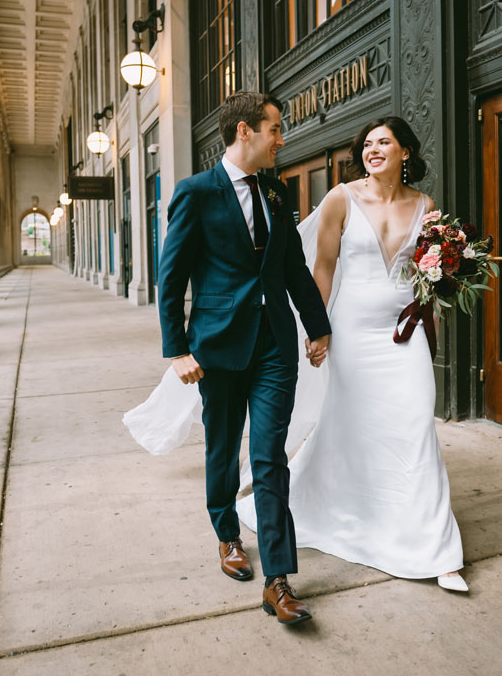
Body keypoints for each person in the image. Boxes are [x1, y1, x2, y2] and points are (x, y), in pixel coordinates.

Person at [236, 115, 467, 591]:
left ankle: (436, 549)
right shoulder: (341, 199)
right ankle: (358, 514)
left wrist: (434, 322)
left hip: (405, 335)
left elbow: (433, 277)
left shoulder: (426, 206)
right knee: (353, 426)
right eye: (367, 144)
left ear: (406, 152)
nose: (372, 149)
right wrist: (317, 330)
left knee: (416, 424)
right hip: (353, 333)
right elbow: (321, 269)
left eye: (384, 142)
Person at [154, 91, 331, 626]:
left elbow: (293, 271)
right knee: (223, 448)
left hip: (275, 344)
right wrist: (177, 348)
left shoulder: (277, 193)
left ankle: (278, 580)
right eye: (275, 129)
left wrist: (318, 327)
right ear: (245, 132)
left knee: (269, 454)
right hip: (218, 345)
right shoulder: (196, 193)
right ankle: (228, 534)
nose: (283, 139)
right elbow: (172, 276)